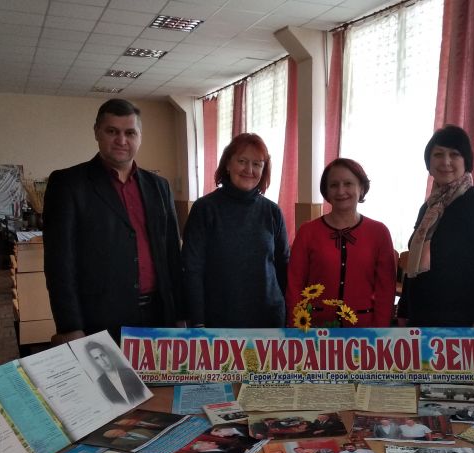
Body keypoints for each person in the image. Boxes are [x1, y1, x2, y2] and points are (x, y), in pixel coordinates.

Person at [43, 98, 186, 344]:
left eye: (130, 133)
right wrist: (70, 326)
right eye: (112, 131)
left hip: (159, 315)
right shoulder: (68, 184)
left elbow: (172, 254)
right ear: (97, 132)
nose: (121, 140)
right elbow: (59, 263)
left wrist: (181, 313)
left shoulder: (159, 186)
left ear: (140, 137)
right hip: (99, 320)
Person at [397, 125, 474, 327]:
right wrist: (403, 310)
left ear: (466, 161)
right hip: (420, 318)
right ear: (429, 163)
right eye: (438, 154)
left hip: (462, 323)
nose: (445, 161)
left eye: (454, 154)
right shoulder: (428, 208)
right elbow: (414, 265)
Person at [182, 133, 289, 328]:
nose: (249, 170)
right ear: (228, 164)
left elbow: (283, 266)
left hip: (269, 319)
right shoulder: (205, 209)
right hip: (219, 319)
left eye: (257, 164)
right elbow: (192, 269)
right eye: (242, 161)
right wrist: (197, 321)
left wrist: (290, 316)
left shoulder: (272, 211)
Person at [286, 158, 395, 327]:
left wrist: (380, 332)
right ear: (326, 191)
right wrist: (297, 328)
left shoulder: (379, 232)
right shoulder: (307, 231)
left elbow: (385, 289)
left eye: (348, 184)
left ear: (361, 188)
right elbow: (294, 284)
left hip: (365, 330)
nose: (341, 191)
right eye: (334, 185)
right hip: (313, 328)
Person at [85, 340, 148, 405]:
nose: (103, 361)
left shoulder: (129, 372)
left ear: (107, 355)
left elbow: (143, 396)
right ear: (95, 362)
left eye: (102, 355)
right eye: (97, 358)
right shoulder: (100, 383)